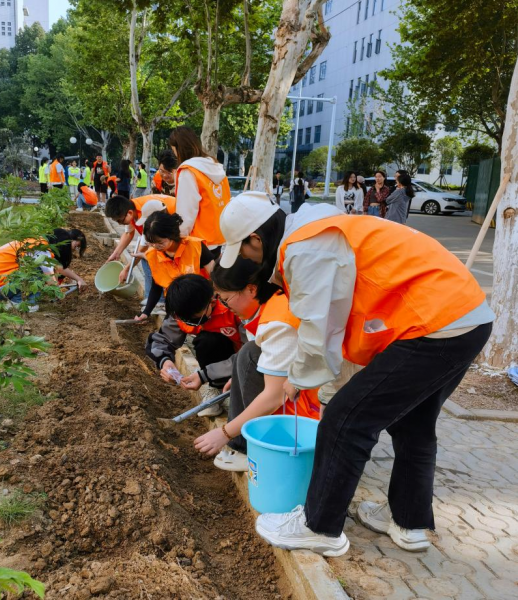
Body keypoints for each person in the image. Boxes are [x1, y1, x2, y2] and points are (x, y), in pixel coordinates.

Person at [217, 191, 494, 556]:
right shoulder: (316, 225)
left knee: (347, 419)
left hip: (434, 324)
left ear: (255, 239)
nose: (249, 262)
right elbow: (340, 319)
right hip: (466, 318)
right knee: (413, 424)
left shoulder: (305, 247)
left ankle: (320, 527)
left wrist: (296, 380)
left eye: (246, 253)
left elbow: (318, 333)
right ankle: (409, 522)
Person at [194, 258, 320, 471]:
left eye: (226, 299)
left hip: (308, 413)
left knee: (249, 354)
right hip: (306, 390)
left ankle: (258, 448)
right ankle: (245, 444)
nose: (225, 306)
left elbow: (273, 397)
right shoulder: (274, 300)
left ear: (251, 289)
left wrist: (224, 433)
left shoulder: (277, 322)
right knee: (246, 356)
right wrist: (239, 375)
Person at [146, 273, 246, 417]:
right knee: (204, 342)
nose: (188, 321)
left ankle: (223, 387)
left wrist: (205, 375)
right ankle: (216, 388)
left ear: (211, 302)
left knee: (209, 341)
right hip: (217, 364)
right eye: (184, 318)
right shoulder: (182, 313)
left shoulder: (233, 309)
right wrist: (165, 361)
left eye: (194, 317)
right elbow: (161, 340)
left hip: (243, 359)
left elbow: (253, 352)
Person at [0, 228, 88, 310]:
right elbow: (50, 278)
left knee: (34, 271)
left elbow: (58, 268)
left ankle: (14, 300)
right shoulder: (41, 251)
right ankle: (22, 304)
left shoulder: (36, 242)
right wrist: (58, 293)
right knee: (38, 273)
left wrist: (79, 279)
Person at [136, 211, 215, 321]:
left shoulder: (195, 246)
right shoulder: (153, 254)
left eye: (160, 242)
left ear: (171, 235)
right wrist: (146, 312)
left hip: (201, 304)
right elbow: (157, 285)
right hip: (175, 307)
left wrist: (212, 297)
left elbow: (215, 275)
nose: (155, 246)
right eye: (151, 243)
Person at [169, 126, 231, 254]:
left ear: (177, 148)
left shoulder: (188, 171)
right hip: (219, 237)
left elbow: (186, 213)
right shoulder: (215, 166)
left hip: (198, 242)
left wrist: (177, 242)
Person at [105, 194, 177, 299]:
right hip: (165, 235)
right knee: (148, 257)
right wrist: (116, 254)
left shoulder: (148, 212)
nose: (120, 224)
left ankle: (157, 300)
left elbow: (144, 247)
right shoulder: (130, 208)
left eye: (120, 221)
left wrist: (126, 269)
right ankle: (155, 299)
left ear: (129, 213)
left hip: (179, 228)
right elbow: (129, 233)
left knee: (148, 258)